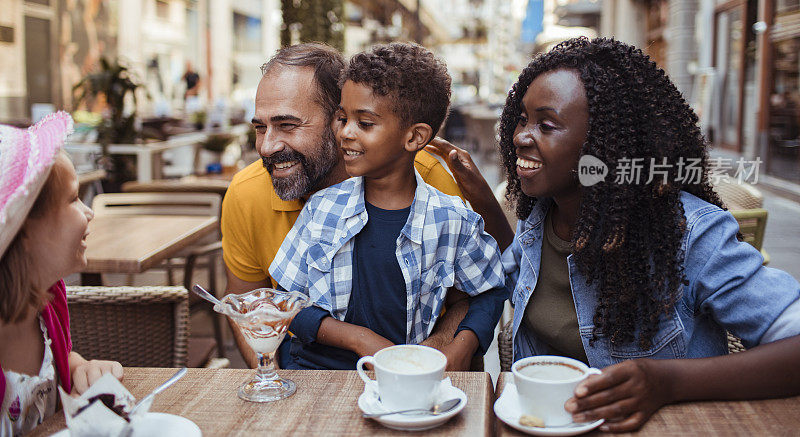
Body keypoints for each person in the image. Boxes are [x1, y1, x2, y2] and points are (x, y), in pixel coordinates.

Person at [444, 37, 800, 432]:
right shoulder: (542, 217)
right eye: (522, 119)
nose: (520, 136)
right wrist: (481, 197)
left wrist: (667, 383)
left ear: (605, 146)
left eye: (546, 124)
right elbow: (519, 274)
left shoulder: (688, 234)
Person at [221, 43, 509, 370]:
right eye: (260, 127)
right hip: (315, 379)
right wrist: (278, 388)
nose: (267, 146)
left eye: (288, 125)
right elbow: (277, 303)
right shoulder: (307, 206)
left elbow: (483, 287)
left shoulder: (439, 196)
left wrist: (450, 351)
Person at [0, 112, 123, 435]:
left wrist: (82, 367)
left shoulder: (47, 300)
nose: (89, 212)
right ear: (23, 230)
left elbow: (58, 361)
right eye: (73, 199)